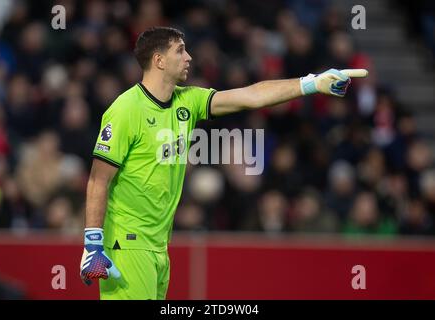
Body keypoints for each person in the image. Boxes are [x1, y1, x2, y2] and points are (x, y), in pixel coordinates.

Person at [79, 26, 367, 300]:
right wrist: (93, 242)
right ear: (159, 60)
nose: (189, 57)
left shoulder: (187, 102)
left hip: (158, 245)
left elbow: (251, 96)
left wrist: (311, 83)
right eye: (180, 51)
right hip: (127, 244)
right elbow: (98, 179)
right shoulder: (126, 109)